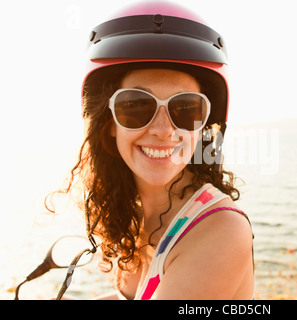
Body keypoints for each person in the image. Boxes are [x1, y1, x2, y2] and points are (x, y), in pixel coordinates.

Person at [53, 1, 254, 300]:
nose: (163, 130)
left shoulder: (221, 230)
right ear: (109, 122)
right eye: (136, 106)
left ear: (202, 128)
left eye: (186, 109)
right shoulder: (133, 216)